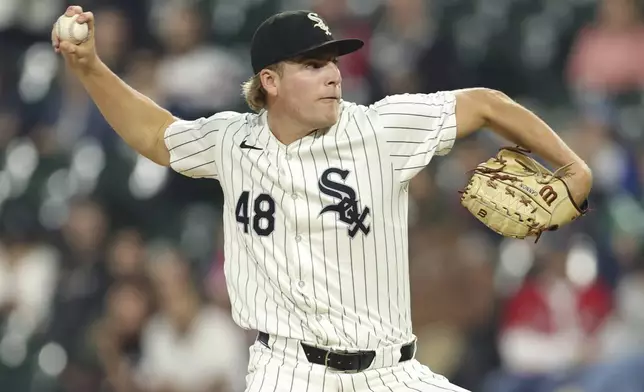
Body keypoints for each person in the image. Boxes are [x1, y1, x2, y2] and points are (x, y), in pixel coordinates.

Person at [51, 6, 593, 392]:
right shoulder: (231, 141)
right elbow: (154, 135)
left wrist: (572, 166)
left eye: (333, 61)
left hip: (392, 373)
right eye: (313, 65)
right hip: (288, 373)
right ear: (271, 81)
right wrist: (91, 68)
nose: (333, 74)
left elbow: (486, 103)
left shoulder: (380, 129)